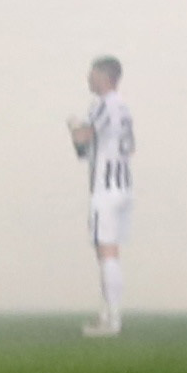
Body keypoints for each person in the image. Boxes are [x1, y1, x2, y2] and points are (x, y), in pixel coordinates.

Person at [67, 56, 135, 335]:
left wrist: (72, 126)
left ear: (105, 77)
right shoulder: (125, 108)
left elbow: (83, 138)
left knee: (105, 252)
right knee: (112, 252)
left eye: (92, 74)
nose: (88, 79)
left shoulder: (104, 106)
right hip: (124, 186)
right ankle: (108, 313)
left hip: (105, 190)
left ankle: (112, 319)